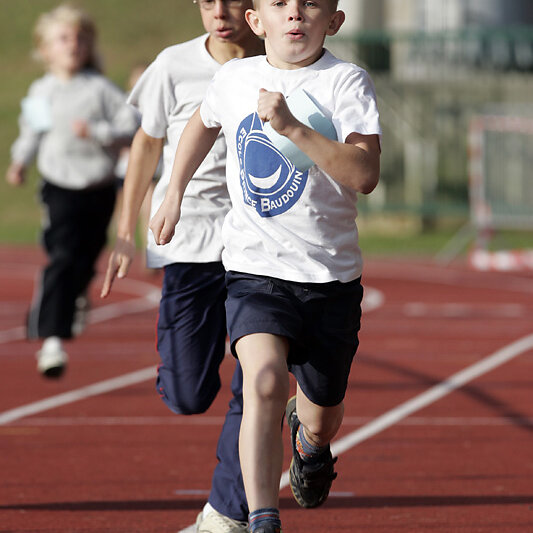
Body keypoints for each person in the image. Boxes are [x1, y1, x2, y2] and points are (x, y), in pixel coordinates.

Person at [150, 1, 381, 532]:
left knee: (322, 418)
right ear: (257, 22)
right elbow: (201, 124)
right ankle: (260, 518)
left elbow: (364, 174)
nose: (295, 14)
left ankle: (311, 444)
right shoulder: (235, 78)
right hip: (256, 270)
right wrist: (174, 192)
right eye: (279, 4)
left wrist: (293, 128)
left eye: (311, 4)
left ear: (334, 21)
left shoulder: (346, 82)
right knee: (263, 381)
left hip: (329, 278)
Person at [100, 1, 264, 532]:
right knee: (188, 394)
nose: (220, 11)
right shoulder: (173, 65)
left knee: (258, 381)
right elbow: (146, 145)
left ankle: (227, 512)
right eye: (207, 0)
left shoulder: (281, 63)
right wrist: (125, 233)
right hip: (188, 244)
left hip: (259, 248)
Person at [5, 4, 138, 379]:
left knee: (85, 257)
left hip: (98, 188)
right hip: (58, 186)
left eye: (80, 38)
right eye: (63, 38)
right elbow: (32, 132)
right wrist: (19, 162)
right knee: (62, 256)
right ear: (45, 49)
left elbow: (131, 126)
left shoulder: (100, 89)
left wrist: (97, 132)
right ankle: (51, 339)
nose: (72, 45)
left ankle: (76, 295)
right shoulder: (42, 91)